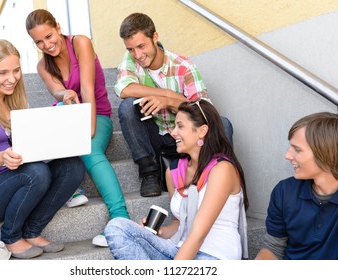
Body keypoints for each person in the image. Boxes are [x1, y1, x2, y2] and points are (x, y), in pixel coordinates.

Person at [0, 39, 86, 259]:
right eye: (2, 73)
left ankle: (32, 231)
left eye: (16, 71)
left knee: (72, 166)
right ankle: (11, 236)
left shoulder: (17, 101)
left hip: (20, 179)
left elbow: (31, 147)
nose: (12, 78)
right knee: (36, 172)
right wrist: (2, 158)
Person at [25, 9, 130, 247]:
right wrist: (65, 93)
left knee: (90, 150)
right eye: (39, 42)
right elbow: (57, 91)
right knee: (42, 126)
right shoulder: (43, 66)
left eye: (49, 36)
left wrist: (89, 129)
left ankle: (121, 217)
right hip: (68, 117)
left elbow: (87, 89)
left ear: (58, 28)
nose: (47, 45)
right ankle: (71, 189)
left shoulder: (80, 42)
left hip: (98, 114)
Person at [104, 99, 248, 260]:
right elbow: (180, 222)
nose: (173, 133)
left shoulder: (222, 169)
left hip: (213, 255)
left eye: (180, 126)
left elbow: (197, 235)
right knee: (117, 227)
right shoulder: (174, 171)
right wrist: (161, 232)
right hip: (178, 250)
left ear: (202, 131)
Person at [114, 12, 234, 198]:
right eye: (131, 49)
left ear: (155, 37)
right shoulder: (130, 59)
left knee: (223, 124)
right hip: (156, 136)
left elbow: (204, 111)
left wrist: (170, 102)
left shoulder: (184, 66)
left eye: (141, 46)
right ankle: (149, 173)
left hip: (185, 135)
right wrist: (166, 93)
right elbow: (123, 89)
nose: (137, 54)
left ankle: (218, 176)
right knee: (127, 107)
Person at [255, 112, 338, 260]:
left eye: (297, 149)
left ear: (327, 153)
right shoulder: (284, 192)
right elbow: (273, 248)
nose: (288, 155)